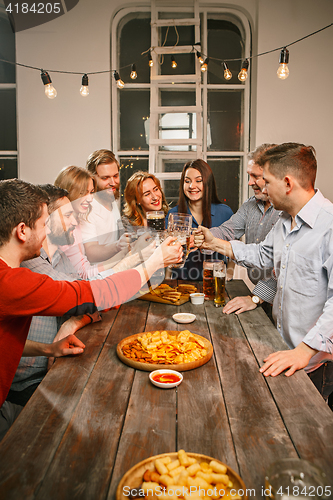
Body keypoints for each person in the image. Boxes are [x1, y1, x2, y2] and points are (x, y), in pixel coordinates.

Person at [0, 179, 183, 438]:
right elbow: (91, 293)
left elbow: (6, 337)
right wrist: (154, 262)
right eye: (43, 224)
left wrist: (47, 348)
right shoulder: (12, 282)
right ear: (22, 231)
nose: (46, 230)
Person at [194, 143, 333, 405]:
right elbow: (261, 255)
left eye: (266, 181)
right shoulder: (284, 221)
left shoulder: (329, 226)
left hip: (313, 363)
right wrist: (213, 242)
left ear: (288, 183)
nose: (262, 187)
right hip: (283, 351)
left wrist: (304, 351)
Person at [210, 144, 279, 316]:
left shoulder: (287, 211)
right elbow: (227, 231)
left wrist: (255, 297)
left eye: (255, 176)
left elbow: (280, 266)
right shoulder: (250, 205)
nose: (250, 183)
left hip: (280, 300)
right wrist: (201, 235)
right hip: (261, 297)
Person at [166, 159, 233, 281]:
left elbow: (234, 249)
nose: (192, 186)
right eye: (187, 181)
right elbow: (168, 253)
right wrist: (167, 280)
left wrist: (229, 274)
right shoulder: (173, 214)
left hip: (215, 284)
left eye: (198, 181)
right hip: (181, 284)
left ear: (208, 183)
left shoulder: (225, 212)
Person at [83, 149, 124, 263]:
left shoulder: (110, 198)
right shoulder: (87, 207)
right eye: (105, 178)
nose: (112, 182)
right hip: (96, 276)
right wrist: (118, 245)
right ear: (92, 179)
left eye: (115, 176)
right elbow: (91, 252)